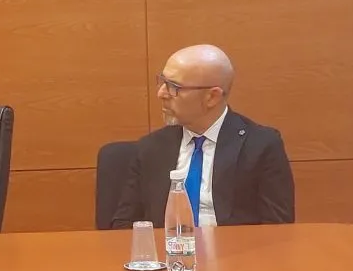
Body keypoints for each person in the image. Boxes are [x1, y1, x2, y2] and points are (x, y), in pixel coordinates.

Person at [111, 44, 294, 228]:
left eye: (174, 87)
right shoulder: (151, 148)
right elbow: (122, 225)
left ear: (212, 97)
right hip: (167, 245)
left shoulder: (260, 146)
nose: (161, 94)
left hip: (234, 246)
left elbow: (277, 229)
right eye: (162, 82)